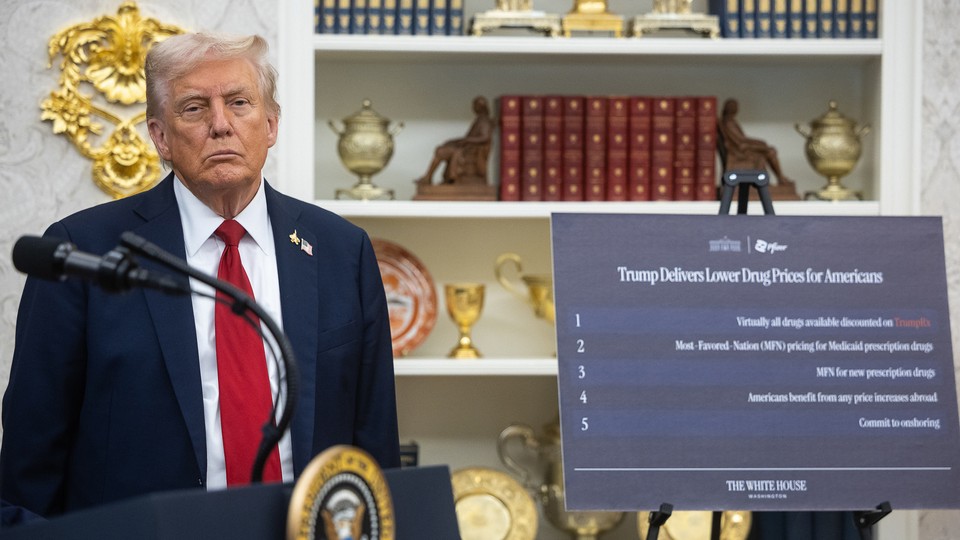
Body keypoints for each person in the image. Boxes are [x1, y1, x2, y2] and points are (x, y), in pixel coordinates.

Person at [0, 32, 400, 521]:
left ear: (271, 124)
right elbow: (30, 462)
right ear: (160, 136)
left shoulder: (342, 250)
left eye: (239, 103)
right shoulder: (83, 251)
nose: (220, 125)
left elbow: (375, 446)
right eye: (193, 108)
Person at [415, 96, 493, 186]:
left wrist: (467, 140)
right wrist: (455, 141)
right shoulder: (479, 119)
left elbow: (485, 137)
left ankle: (428, 177)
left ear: (481, 107)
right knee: (442, 148)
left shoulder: (484, 121)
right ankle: (428, 177)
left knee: (440, 151)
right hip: (466, 147)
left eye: (475, 105)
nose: (473, 107)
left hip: (470, 150)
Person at [718, 98, 793, 186]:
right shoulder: (728, 122)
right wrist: (759, 143)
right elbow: (740, 140)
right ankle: (780, 178)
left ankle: (777, 178)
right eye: (735, 107)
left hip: (743, 147)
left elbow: (742, 138)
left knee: (767, 148)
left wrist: (759, 142)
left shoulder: (731, 121)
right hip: (740, 150)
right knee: (771, 151)